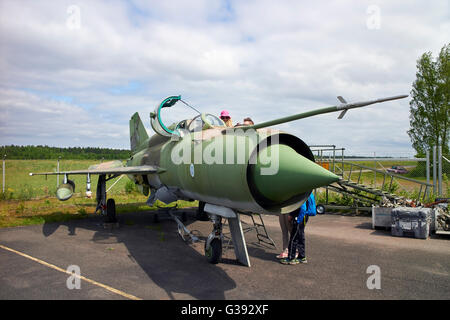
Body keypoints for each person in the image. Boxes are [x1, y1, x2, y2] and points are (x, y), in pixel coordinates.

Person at [280, 193, 316, 265]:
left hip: (300, 217)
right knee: (300, 237)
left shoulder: (301, 192)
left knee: (293, 238)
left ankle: (291, 258)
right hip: (304, 216)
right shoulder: (308, 192)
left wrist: (297, 220)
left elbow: (302, 208)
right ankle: (301, 257)